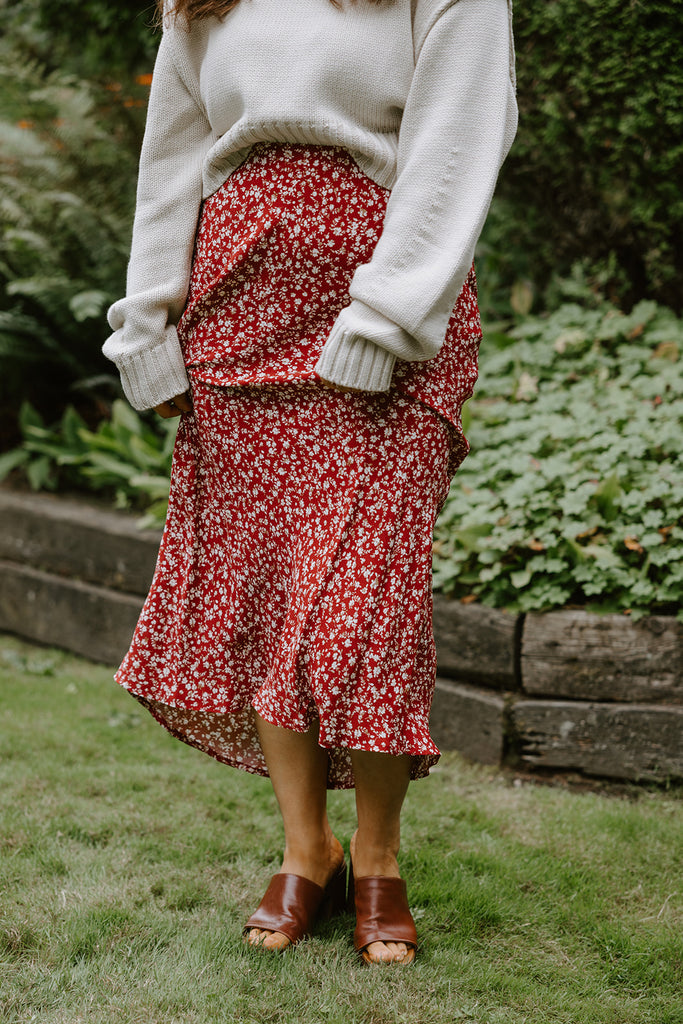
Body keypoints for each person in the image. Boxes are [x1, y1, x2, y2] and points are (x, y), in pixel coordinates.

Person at [104, 0, 517, 965]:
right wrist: (147, 327)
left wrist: (385, 315)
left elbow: (457, 135)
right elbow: (170, 159)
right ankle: (307, 849)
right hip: (236, 309)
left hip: (388, 308)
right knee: (266, 590)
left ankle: (379, 858)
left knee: (367, 599)